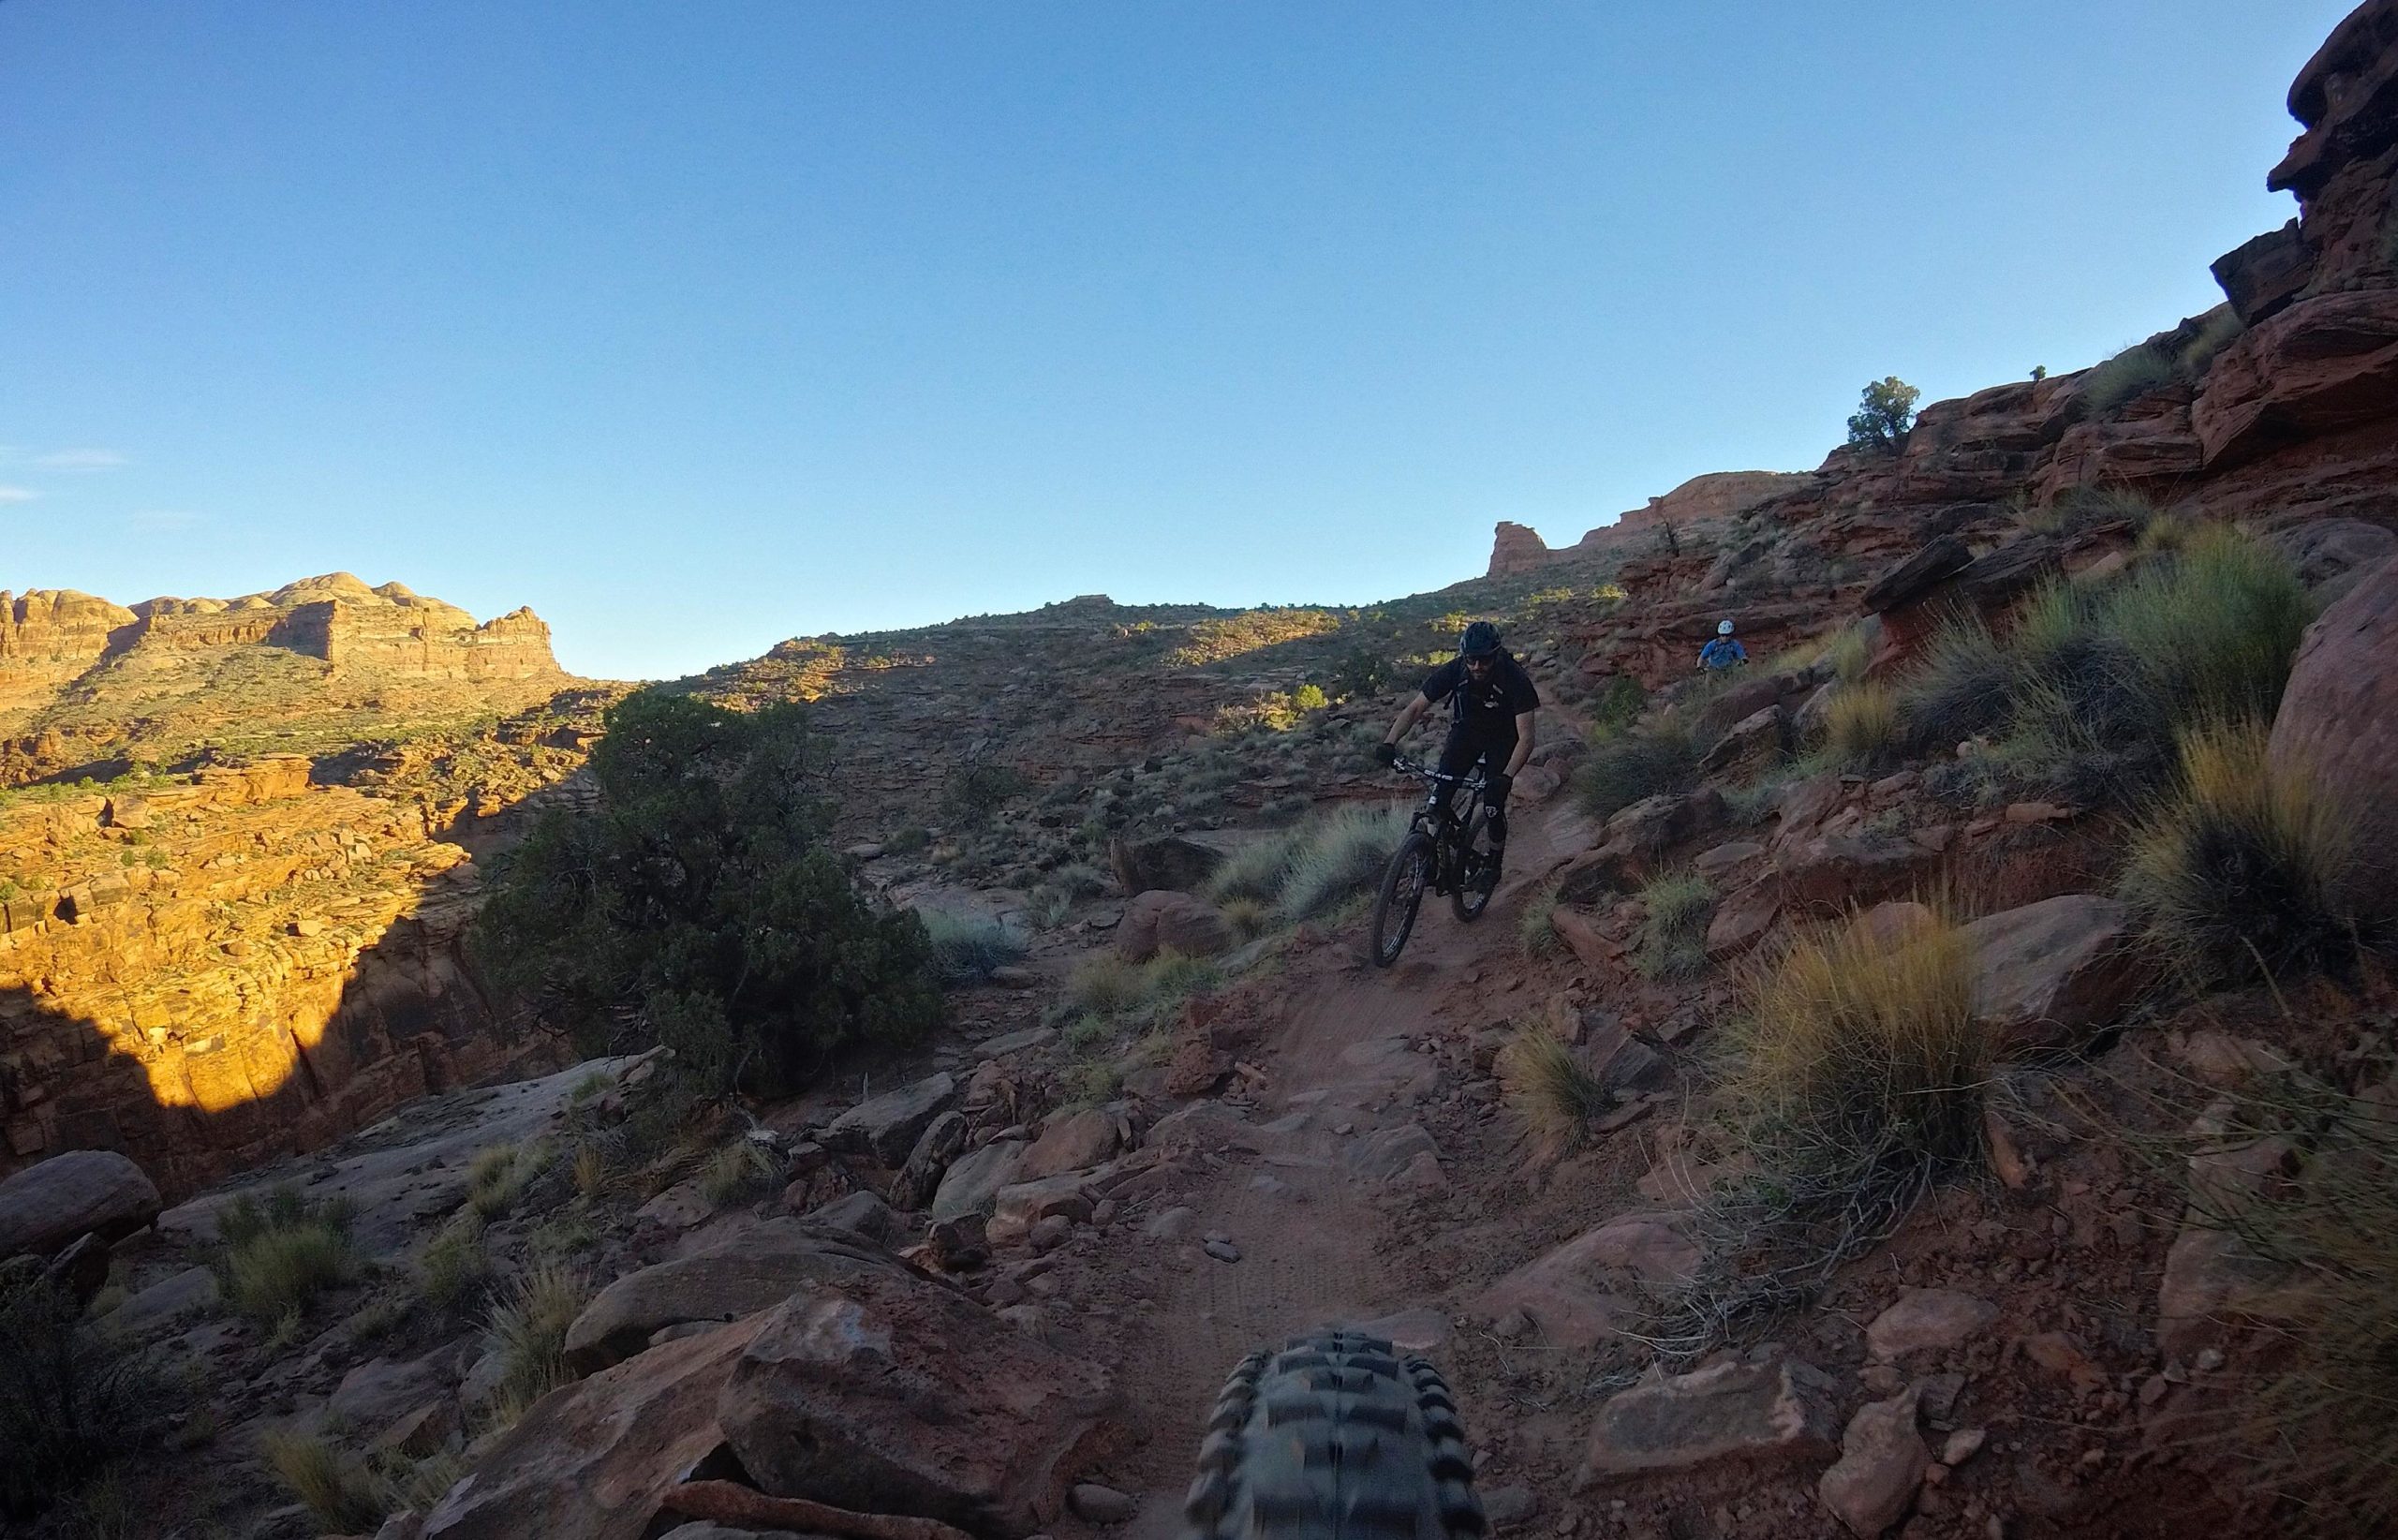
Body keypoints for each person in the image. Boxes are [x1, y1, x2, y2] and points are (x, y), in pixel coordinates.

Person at [1373, 620, 1538, 881]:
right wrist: (1389, 743)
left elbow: (1527, 737)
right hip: (1466, 735)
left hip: (1503, 740)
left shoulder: (1514, 678)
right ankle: (1432, 859)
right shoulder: (1455, 670)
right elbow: (1416, 708)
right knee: (1437, 800)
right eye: (1471, 660)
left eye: (1484, 660)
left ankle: (1493, 864)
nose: (1477, 667)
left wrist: (1506, 777)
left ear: (1496, 654)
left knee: (1493, 804)